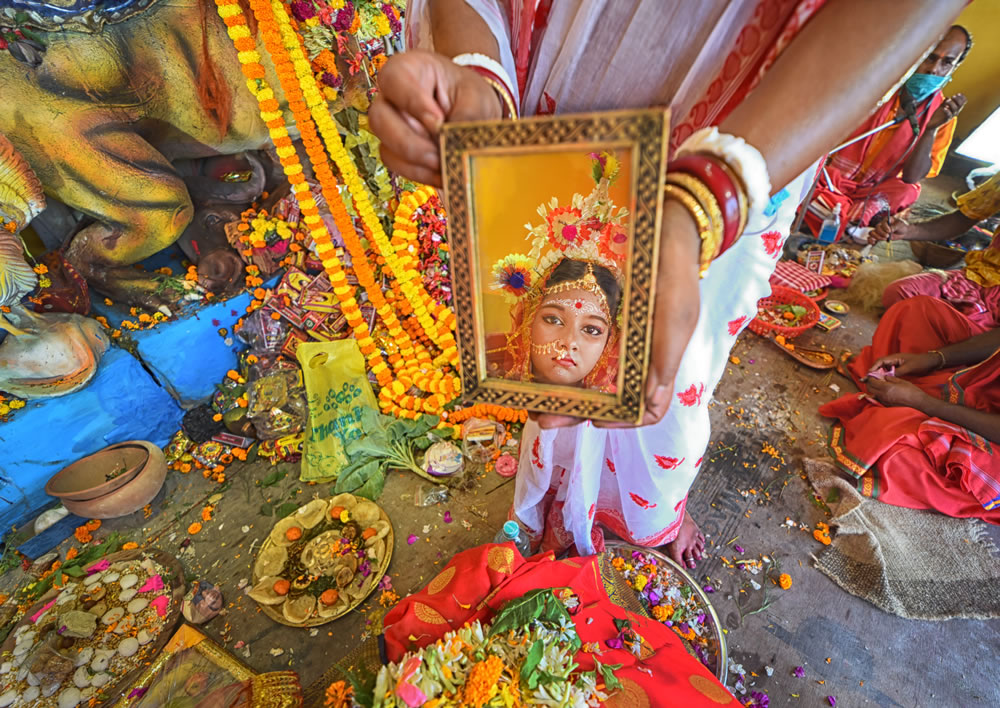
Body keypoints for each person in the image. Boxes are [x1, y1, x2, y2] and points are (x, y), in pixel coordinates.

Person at [369, 0, 968, 565]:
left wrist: (703, 202)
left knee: (676, 373)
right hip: (560, 86)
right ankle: (549, 493)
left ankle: (650, 513)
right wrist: (479, 77)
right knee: (555, 349)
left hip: (760, 134)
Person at [820, 295, 1000, 522]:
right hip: (982, 379)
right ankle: (913, 391)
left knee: (897, 447)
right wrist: (933, 359)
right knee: (916, 312)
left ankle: (911, 403)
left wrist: (924, 403)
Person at [805, 25, 972, 241]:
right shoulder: (875, 85)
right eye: (929, 57)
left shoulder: (944, 114)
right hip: (828, 176)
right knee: (802, 175)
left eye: (947, 62)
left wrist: (930, 128)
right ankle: (851, 224)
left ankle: (836, 216)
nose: (934, 69)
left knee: (908, 191)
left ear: (955, 67)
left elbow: (912, 176)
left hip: (871, 190)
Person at [486, 156, 624, 391]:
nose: (569, 343)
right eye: (553, 320)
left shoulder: (622, 418)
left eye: (592, 330)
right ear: (528, 318)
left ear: (610, 341)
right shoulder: (483, 361)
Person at [874, 169, 1000, 330]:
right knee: (899, 293)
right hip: (979, 277)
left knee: (967, 336)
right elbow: (962, 218)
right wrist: (909, 230)